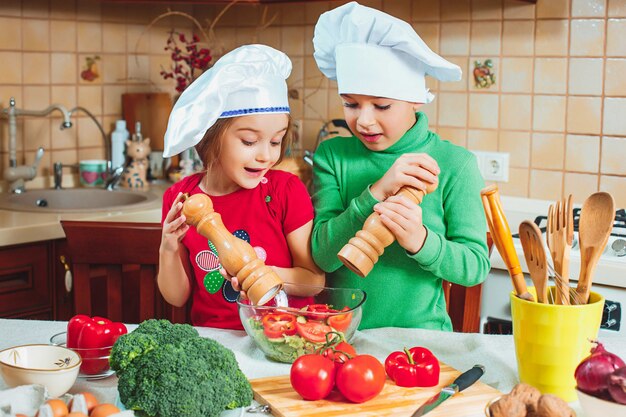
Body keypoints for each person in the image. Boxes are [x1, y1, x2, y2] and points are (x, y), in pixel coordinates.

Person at [311, 2, 490, 330]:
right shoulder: (332, 156)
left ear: (415, 99)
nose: (363, 120)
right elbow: (321, 256)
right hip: (337, 334)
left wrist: (420, 240)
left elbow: (475, 266)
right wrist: (375, 193)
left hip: (420, 341)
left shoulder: (455, 164)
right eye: (350, 104)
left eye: (381, 105)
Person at [158, 44, 324, 329]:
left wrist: (259, 273)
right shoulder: (181, 198)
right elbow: (177, 297)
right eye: (249, 141)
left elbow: (314, 281)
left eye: (275, 141)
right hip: (215, 339)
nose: (265, 155)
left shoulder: (285, 191)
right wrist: (168, 247)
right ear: (212, 135)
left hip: (283, 335)